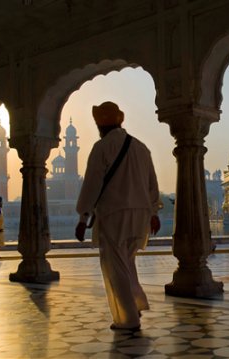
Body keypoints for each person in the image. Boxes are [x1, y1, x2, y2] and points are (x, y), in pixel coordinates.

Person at [75, 101, 161, 331]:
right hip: (140, 214)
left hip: (115, 213)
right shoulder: (141, 147)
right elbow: (153, 185)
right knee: (127, 262)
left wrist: (83, 218)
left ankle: (128, 319)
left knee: (115, 265)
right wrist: (153, 213)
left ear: (101, 124)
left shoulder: (102, 147)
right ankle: (136, 304)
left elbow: (92, 185)